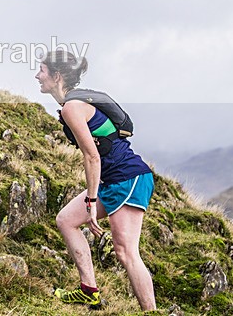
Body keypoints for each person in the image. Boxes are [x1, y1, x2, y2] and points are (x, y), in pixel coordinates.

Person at [35, 50, 156, 311]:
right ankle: (89, 290)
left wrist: (90, 200)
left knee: (126, 252)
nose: (37, 76)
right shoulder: (69, 106)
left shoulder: (72, 108)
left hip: (128, 177)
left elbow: (92, 157)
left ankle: (151, 311)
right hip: (112, 180)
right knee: (66, 220)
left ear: (56, 76)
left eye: (41, 71)